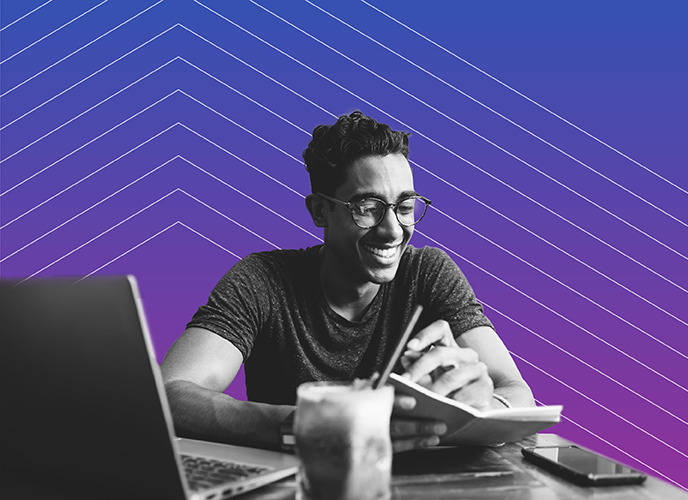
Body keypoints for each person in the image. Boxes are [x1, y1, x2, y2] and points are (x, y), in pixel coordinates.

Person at [160, 111, 534, 453]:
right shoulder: (262, 281)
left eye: (405, 208)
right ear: (320, 211)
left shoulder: (428, 273)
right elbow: (168, 393)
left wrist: (485, 409)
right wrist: (308, 425)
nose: (392, 231)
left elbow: (517, 392)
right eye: (368, 208)